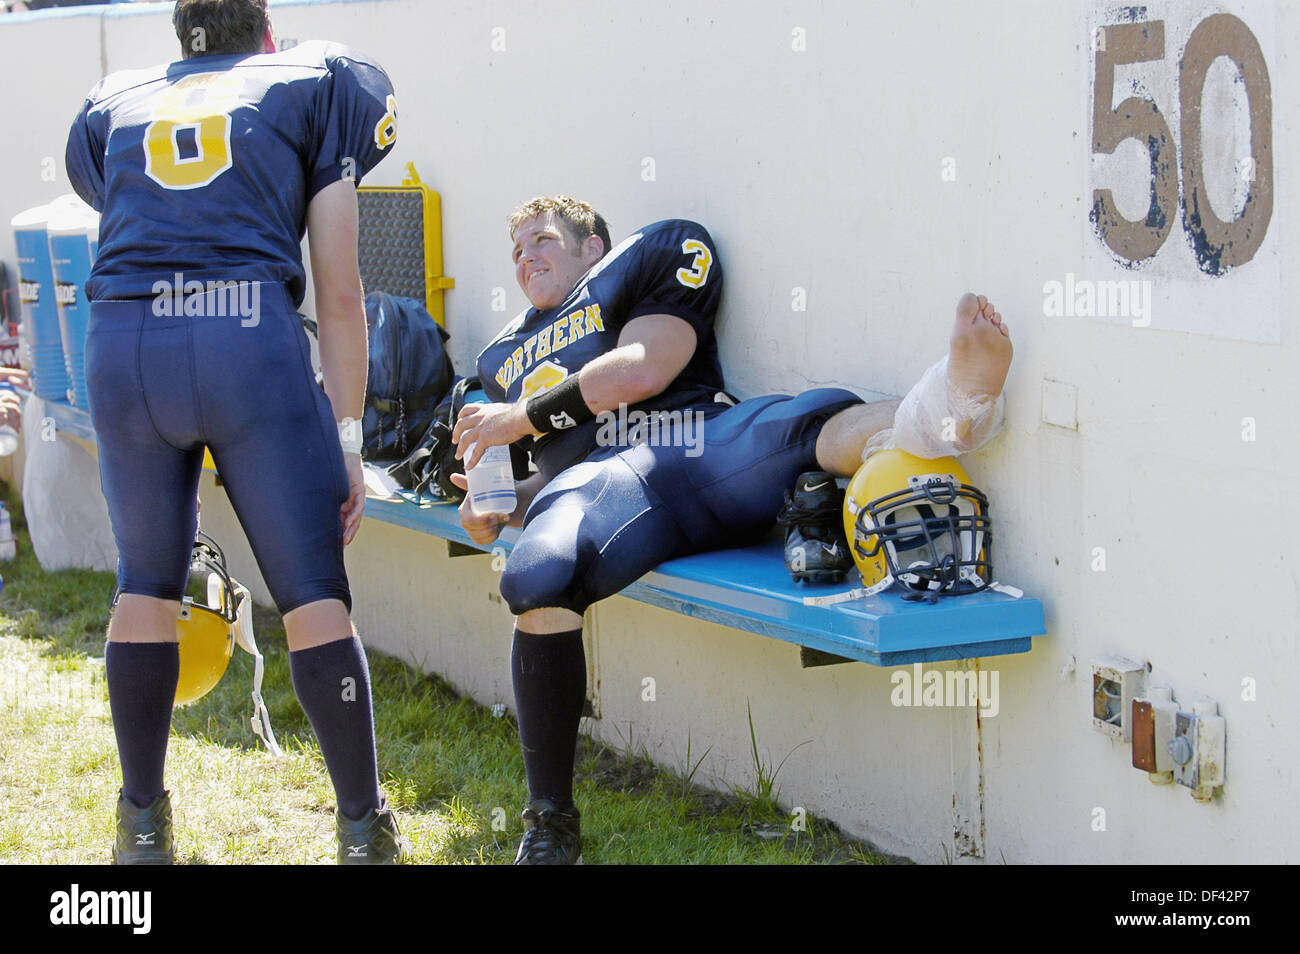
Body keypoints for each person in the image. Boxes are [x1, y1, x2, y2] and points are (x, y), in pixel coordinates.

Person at [450, 196, 1013, 864]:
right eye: (515, 251)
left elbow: (645, 367)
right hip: (597, 485)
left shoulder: (643, 258)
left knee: (804, 422)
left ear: (592, 246)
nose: (526, 258)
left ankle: (953, 407)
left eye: (541, 239)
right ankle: (549, 823)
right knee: (537, 574)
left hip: (697, 441)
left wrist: (522, 416)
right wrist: (491, 510)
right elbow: (543, 483)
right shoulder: (499, 358)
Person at [64, 0, 402, 864]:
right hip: (246, 337)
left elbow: (122, 213)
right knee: (313, 595)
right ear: (266, 34)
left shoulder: (116, 97)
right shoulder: (315, 79)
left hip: (123, 340)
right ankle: (364, 831)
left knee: (144, 584)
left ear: (184, 39)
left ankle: (141, 829)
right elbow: (340, 293)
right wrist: (351, 440)